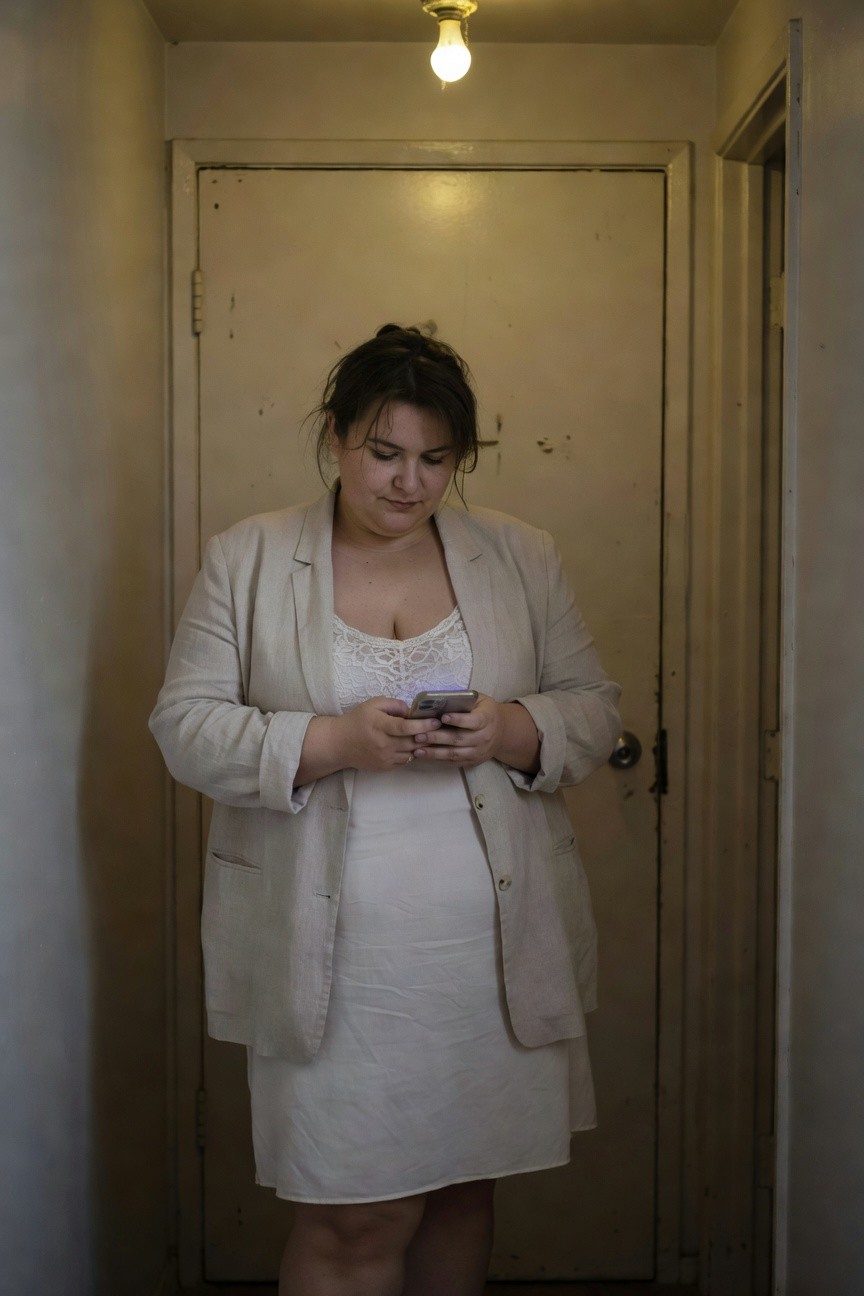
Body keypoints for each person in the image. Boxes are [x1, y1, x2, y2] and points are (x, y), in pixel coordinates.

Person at [149, 324, 621, 1296]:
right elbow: (183, 725)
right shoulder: (250, 555)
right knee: (355, 1217)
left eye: (435, 460)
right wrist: (330, 742)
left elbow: (593, 707)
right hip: (330, 962)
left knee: (458, 1192)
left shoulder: (519, 556)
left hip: (488, 950)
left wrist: (509, 729)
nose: (409, 482)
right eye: (385, 452)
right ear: (335, 437)